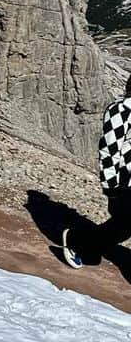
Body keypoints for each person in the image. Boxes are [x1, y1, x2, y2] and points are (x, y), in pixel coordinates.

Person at [61, 76, 131, 269]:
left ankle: (88, 243)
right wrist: (110, 186)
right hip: (124, 183)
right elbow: (109, 150)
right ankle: (77, 240)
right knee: (124, 225)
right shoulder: (121, 110)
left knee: (124, 227)